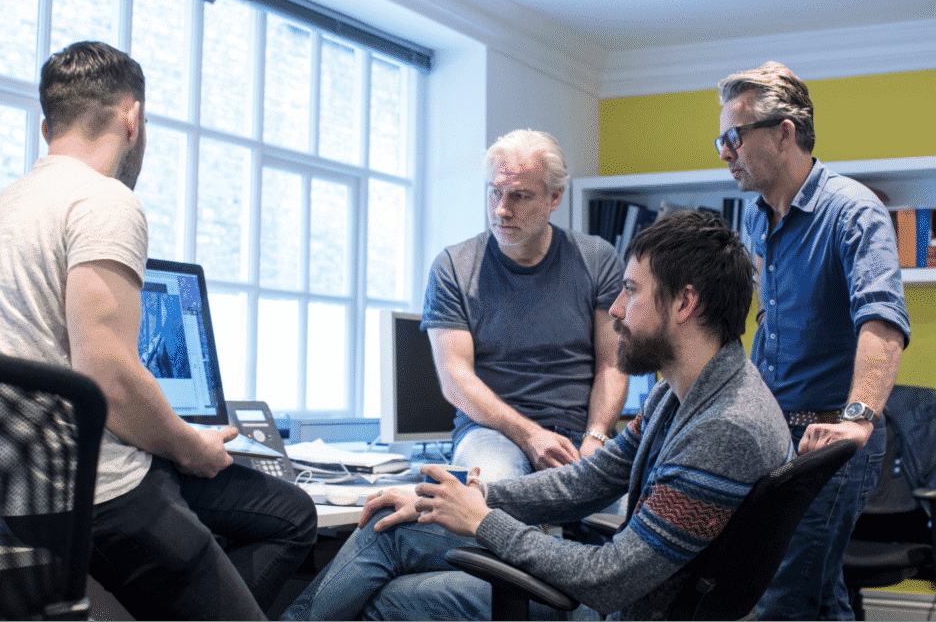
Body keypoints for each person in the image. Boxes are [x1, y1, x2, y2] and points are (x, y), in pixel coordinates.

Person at [282, 209, 794, 621]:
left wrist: (483, 522)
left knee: (388, 600)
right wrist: (458, 498)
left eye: (632, 291)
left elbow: (611, 577)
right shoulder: (681, 393)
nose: (615, 309)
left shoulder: (723, 427)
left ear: (685, 303)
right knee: (395, 525)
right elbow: (587, 482)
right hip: (612, 590)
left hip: (610, 606)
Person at [0, 41, 316, 621]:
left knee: (290, 511)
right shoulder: (104, 201)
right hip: (101, 494)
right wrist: (190, 445)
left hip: (24, 496)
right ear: (133, 119)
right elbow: (110, 382)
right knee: (281, 519)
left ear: (47, 126)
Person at [716, 61, 910, 620]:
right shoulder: (756, 218)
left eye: (735, 136)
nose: (724, 151)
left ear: (784, 132)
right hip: (773, 430)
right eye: (720, 138)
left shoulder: (852, 211)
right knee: (814, 598)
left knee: (781, 599)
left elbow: (883, 321)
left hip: (827, 437)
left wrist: (857, 418)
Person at [422, 129, 628, 481]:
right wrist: (529, 434)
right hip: (490, 433)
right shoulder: (453, 266)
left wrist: (596, 436)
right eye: (495, 192)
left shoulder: (598, 260)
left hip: (579, 434)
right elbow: (455, 379)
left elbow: (613, 364)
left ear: (554, 198)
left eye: (519, 196)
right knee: (495, 489)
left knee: (638, 513)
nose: (502, 210)